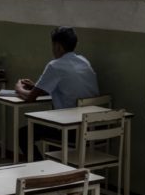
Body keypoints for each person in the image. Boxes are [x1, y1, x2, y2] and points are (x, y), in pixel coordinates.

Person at [16, 26, 99, 160]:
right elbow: (65, 87)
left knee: (24, 134)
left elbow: (31, 98)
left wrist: (18, 88)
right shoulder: (84, 61)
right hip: (94, 127)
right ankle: (53, 168)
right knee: (52, 126)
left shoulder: (55, 65)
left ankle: (40, 168)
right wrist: (37, 86)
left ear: (58, 46)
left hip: (72, 129)